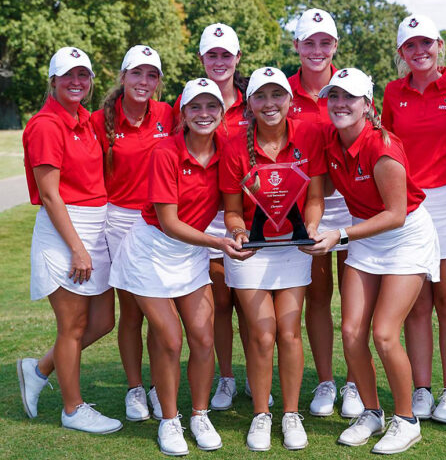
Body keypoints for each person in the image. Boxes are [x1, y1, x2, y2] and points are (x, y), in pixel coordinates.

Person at [109, 78, 252, 455]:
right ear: (183, 114)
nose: (204, 114)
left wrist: (237, 230)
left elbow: (236, 205)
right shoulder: (165, 152)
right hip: (151, 252)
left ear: (222, 113)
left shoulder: (229, 150)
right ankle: (170, 421)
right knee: (170, 339)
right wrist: (219, 242)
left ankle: (199, 414)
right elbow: (169, 222)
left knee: (203, 338)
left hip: (190, 252)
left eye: (211, 107)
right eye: (195, 107)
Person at [303, 67, 440, 454]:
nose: (340, 104)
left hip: (404, 236)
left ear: (368, 104)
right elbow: (316, 194)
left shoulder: (382, 148)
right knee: (351, 332)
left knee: (383, 332)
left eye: (350, 97)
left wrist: (340, 235)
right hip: (366, 233)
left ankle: (406, 420)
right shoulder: (328, 140)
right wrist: (313, 229)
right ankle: (372, 411)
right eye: (334, 97)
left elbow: (396, 214)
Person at [219, 66, 325, 451]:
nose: (269, 104)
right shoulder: (234, 146)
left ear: (289, 99)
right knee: (263, 334)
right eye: (261, 97)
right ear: (249, 105)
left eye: (276, 95)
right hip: (253, 252)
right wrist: (238, 232)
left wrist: (311, 227)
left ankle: (291, 414)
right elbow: (232, 211)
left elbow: (314, 199)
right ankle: (262, 415)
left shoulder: (309, 136)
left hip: (294, 249)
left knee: (288, 331)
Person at [17, 46, 122, 434]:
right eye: (68, 76)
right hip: (67, 229)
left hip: (96, 226)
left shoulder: (85, 120)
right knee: (73, 327)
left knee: (103, 321)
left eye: (83, 76)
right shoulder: (46, 125)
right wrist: (77, 247)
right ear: (53, 81)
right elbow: (49, 194)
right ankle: (73, 409)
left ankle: (39, 368)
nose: (77, 82)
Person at [382, 14, 446, 424]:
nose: (419, 52)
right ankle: (421, 389)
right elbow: (382, 148)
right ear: (401, 53)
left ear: (439, 45)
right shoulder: (392, 92)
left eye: (426, 44)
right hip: (409, 206)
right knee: (416, 306)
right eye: (410, 46)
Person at [173, 23, 266, 411]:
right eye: (212, 54)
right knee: (220, 302)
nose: (219, 61)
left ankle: (252, 375)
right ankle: (225, 377)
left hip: (242, 213)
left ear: (238, 58)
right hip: (201, 216)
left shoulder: (255, 100)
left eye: (226, 54)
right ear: (201, 59)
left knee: (247, 300)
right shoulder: (192, 99)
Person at [91, 44, 173, 422]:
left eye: (151, 75)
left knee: (159, 309)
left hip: (160, 221)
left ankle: (159, 387)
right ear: (123, 77)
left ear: (158, 82)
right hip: (120, 222)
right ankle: (135, 388)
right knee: (132, 313)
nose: (144, 81)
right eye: (137, 73)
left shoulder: (168, 114)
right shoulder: (99, 121)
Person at [289, 7, 363, 419]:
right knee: (317, 297)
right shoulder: (283, 90)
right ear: (297, 45)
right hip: (307, 206)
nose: (317, 51)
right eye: (309, 43)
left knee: (354, 301)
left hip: (352, 206)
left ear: (335, 45)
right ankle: (325, 380)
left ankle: (354, 382)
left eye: (325, 43)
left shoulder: (350, 86)